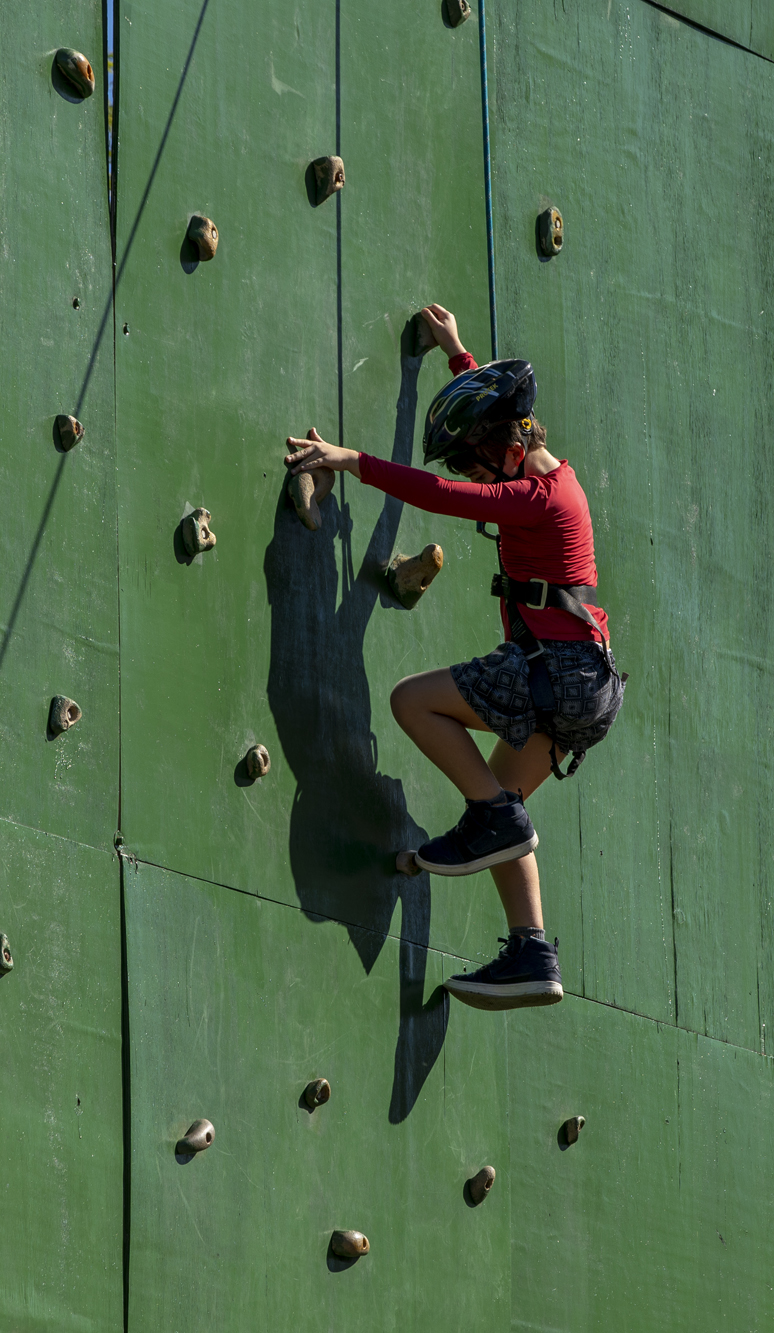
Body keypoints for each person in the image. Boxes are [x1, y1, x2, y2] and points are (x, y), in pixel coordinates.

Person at [282, 304, 624, 1011]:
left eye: (474, 454)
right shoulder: (536, 469)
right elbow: (494, 425)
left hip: (554, 671)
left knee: (413, 701)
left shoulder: (539, 495)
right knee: (502, 808)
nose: (470, 468)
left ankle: (493, 821)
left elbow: (443, 491)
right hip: (584, 681)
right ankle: (531, 949)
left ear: (503, 448)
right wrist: (458, 354)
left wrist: (352, 460)